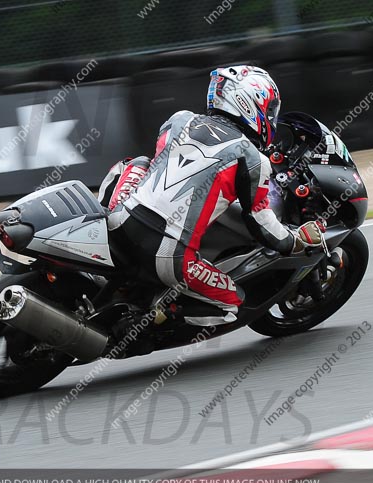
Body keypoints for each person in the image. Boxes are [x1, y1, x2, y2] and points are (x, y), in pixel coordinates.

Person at [98, 65, 325, 325]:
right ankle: (152, 317)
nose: (271, 116)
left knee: (135, 163)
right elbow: (261, 223)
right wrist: (295, 241)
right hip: (168, 255)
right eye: (269, 108)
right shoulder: (253, 158)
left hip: (119, 221)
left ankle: (98, 219)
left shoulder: (179, 120)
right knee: (233, 304)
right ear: (248, 103)